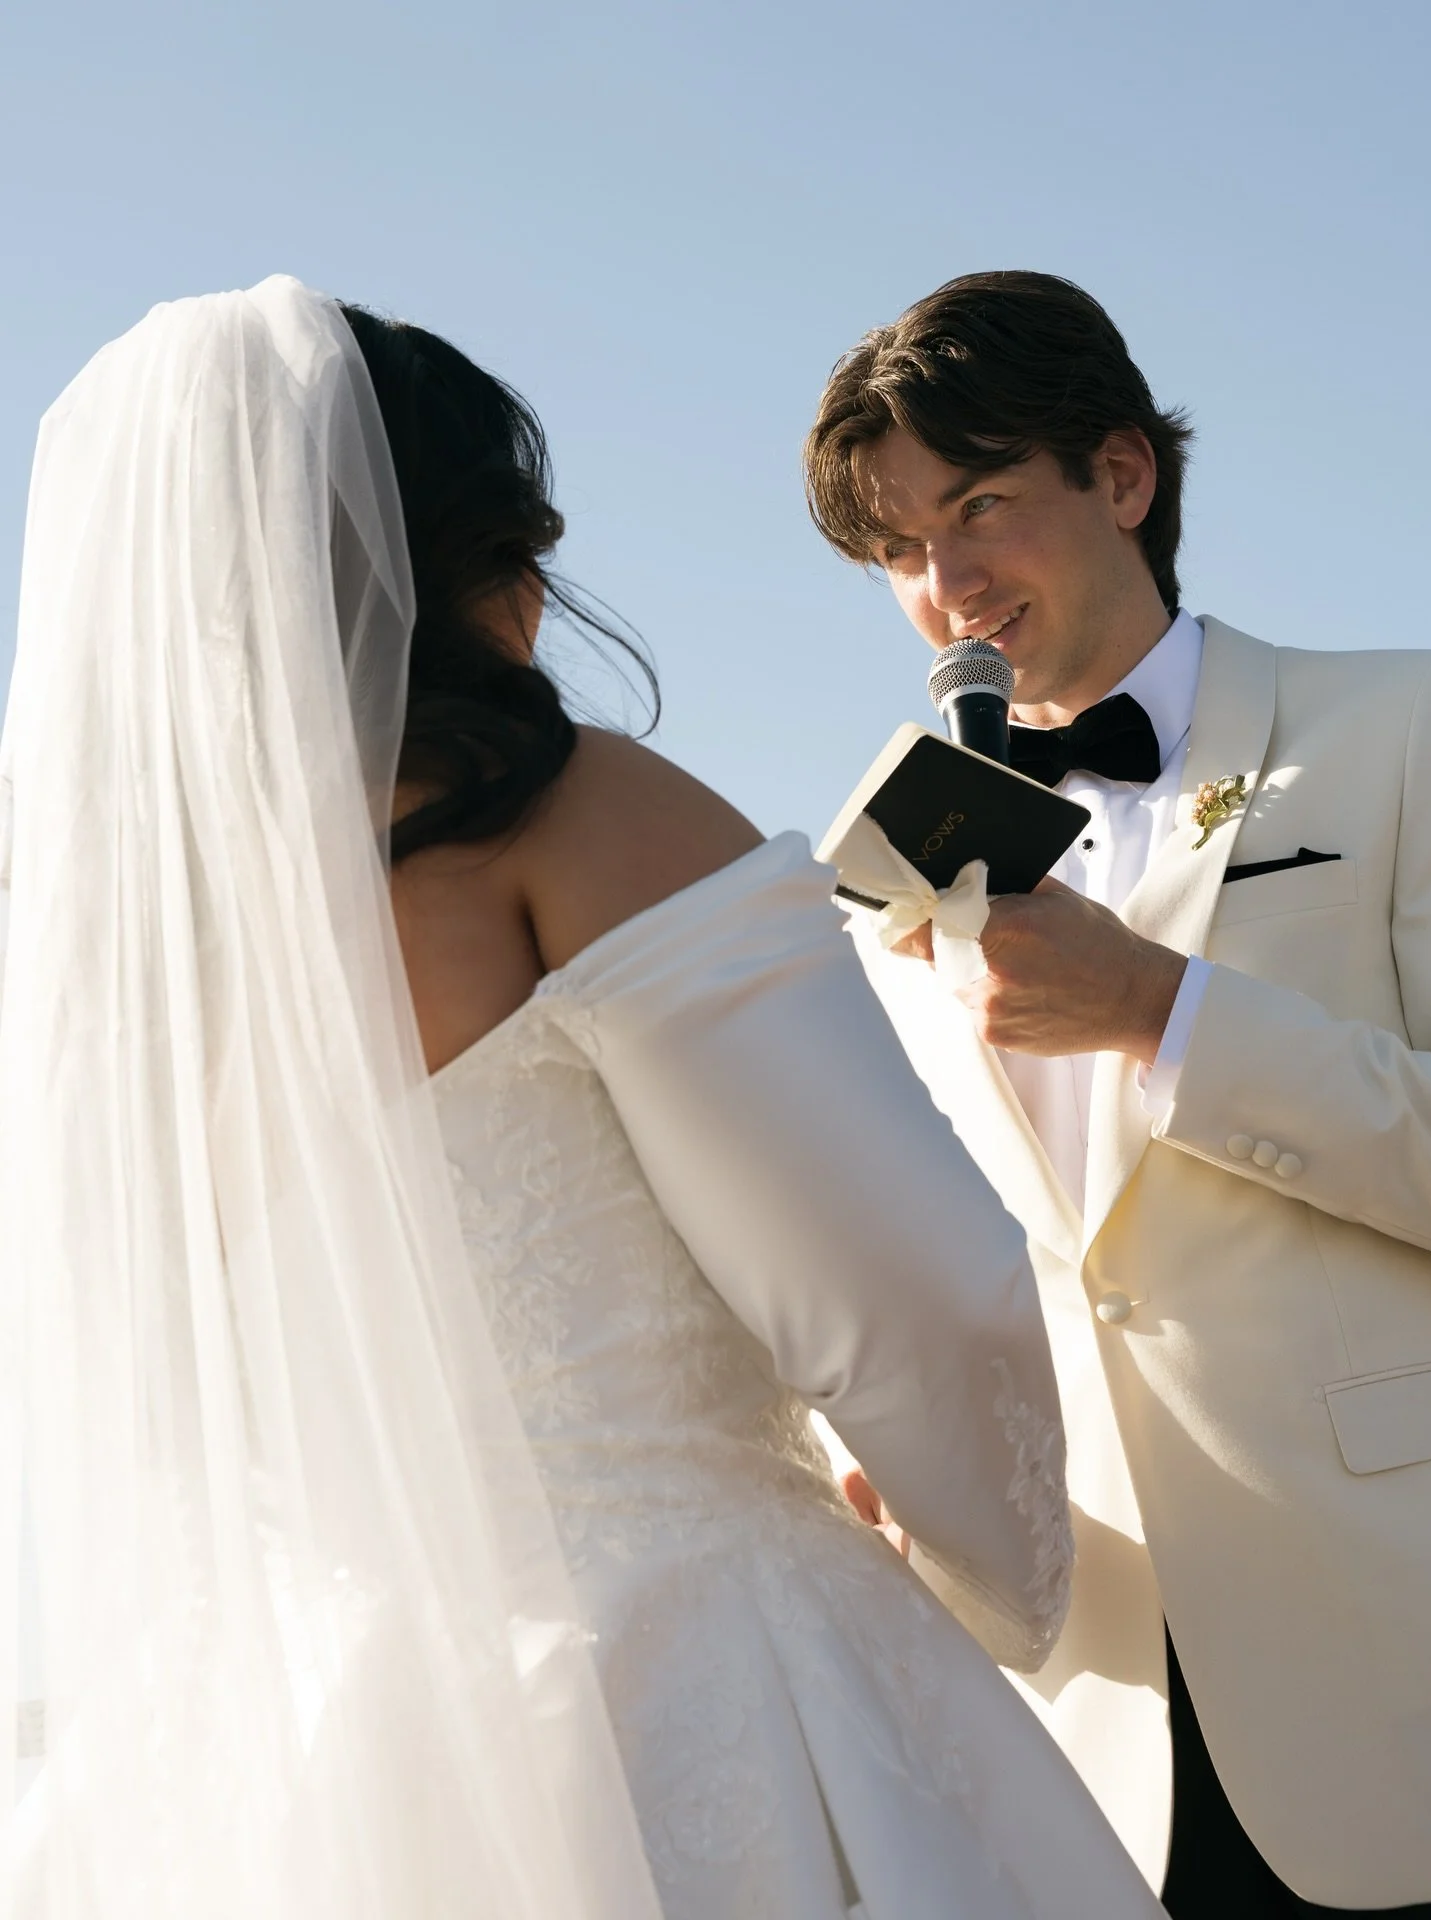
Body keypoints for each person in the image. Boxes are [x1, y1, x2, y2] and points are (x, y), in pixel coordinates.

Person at [0, 277, 1162, 1920]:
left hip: (314, 1744)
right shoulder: (568, 815)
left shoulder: (100, 964)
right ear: (456, 561)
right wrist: (1004, 1575)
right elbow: (906, 1289)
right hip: (695, 1671)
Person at [803, 268, 1431, 1918]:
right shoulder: (885, 887)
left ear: (1124, 475)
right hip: (1086, 1710)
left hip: (1399, 1651)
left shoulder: (1407, 726)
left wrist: (1163, 1010)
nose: (947, 586)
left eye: (980, 506)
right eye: (899, 551)